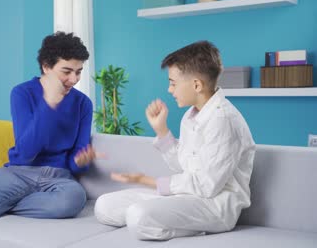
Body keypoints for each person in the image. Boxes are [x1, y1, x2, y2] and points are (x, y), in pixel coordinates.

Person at [0, 32, 98, 248]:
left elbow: (76, 161)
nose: (74, 79)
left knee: (73, 199)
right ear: (46, 67)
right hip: (18, 172)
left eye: (79, 72)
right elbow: (25, 152)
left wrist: (81, 161)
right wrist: (48, 104)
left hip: (58, 178)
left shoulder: (83, 104)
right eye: (67, 71)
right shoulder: (22, 93)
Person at [94, 41, 255, 241]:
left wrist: (149, 182)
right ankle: (161, 220)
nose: (170, 90)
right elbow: (182, 165)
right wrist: (161, 131)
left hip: (215, 206)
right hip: (187, 195)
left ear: (197, 85)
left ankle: (185, 226)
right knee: (104, 206)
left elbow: (207, 186)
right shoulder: (191, 115)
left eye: (173, 83)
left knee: (138, 216)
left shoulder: (224, 120)